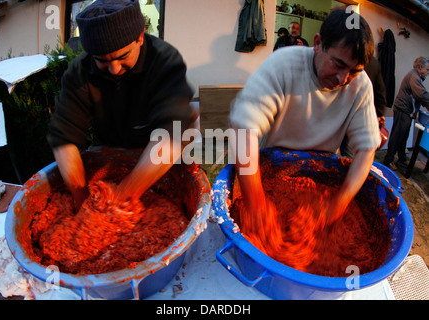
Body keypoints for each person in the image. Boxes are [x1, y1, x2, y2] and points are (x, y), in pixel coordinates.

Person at [229, 8, 380, 226]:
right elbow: (243, 129)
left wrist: (339, 203)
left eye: (354, 71)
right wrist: (256, 204)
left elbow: (366, 149)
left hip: (320, 174)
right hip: (266, 172)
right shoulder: (283, 64)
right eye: (338, 64)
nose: (342, 78)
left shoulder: (361, 86)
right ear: (318, 43)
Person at [47, 0, 197, 210]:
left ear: (140, 37)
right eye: (102, 61)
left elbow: (174, 132)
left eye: (122, 57)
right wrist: (82, 202)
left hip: (159, 159)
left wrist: (123, 195)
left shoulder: (164, 61)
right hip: (111, 153)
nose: (114, 69)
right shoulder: (79, 72)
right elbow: (64, 139)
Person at [383, 57, 429, 170]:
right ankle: (388, 160)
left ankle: (402, 159)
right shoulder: (414, 76)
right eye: (427, 69)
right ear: (420, 67)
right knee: (397, 136)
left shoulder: (415, 76)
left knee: (403, 137)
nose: (428, 72)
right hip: (403, 110)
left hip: (406, 111)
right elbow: (422, 94)